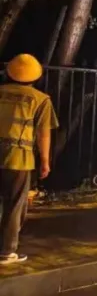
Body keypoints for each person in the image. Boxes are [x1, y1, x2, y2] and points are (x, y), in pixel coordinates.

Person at [0, 54, 57, 265]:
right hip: (19, 158)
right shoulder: (40, 99)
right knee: (14, 205)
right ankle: (6, 252)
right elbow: (44, 133)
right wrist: (45, 161)